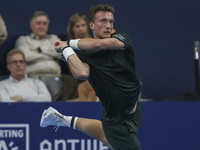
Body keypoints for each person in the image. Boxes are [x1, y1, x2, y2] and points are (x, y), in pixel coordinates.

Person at [40, 4, 143, 150]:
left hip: (134, 113)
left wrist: (66, 43)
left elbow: (97, 44)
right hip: (115, 121)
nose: (108, 25)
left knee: (105, 138)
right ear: (92, 25)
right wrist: (67, 50)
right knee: (112, 139)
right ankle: (61, 120)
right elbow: (81, 73)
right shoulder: (83, 56)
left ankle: (61, 119)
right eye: (103, 21)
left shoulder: (121, 39)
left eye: (111, 21)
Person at [15, 11, 61, 78]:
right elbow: (24, 56)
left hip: (55, 76)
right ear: (31, 25)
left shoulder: (54, 38)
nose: (41, 26)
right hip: (33, 77)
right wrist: (51, 55)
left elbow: (62, 52)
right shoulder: (24, 40)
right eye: (38, 23)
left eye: (44, 24)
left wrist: (40, 50)